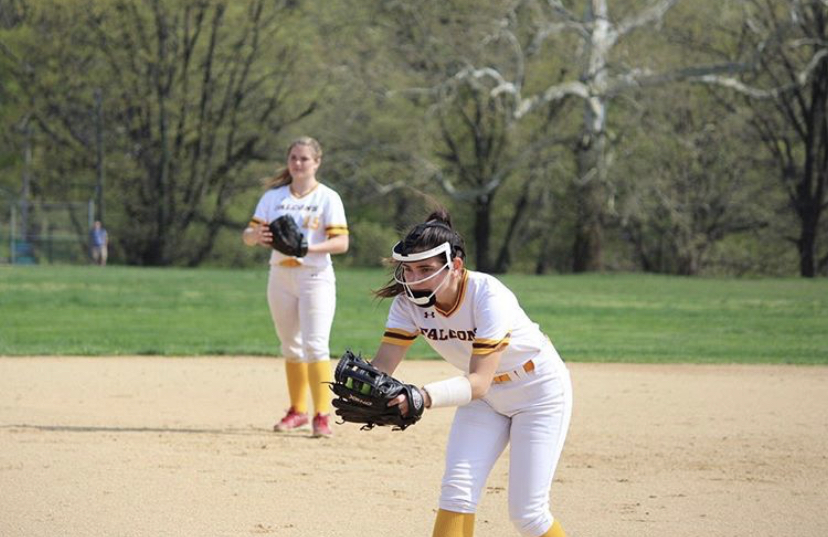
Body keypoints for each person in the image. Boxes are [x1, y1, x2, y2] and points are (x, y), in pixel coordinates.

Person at [369, 209, 572, 537]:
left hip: (538, 392)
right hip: (486, 398)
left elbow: (478, 382)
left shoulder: (487, 294)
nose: (413, 278)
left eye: (425, 269)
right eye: (408, 270)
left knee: (528, 514)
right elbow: (383, 366)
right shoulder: (407, 305)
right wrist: (365, 387)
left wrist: (422, 396)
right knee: (456, 492)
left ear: (456, 267)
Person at [242, 137, 349, 438]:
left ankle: (322, 415)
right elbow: (249, 235)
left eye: (304, 158)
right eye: (294, 158)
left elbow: (342, 242)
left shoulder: (328, 198)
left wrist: (308, 249)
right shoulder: (273, 197)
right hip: (280, 276)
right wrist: (256, 236)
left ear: (317, 162)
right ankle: (298, 410)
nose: (298, 163)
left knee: (316, 345)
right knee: (290, 345)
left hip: (315, 277)